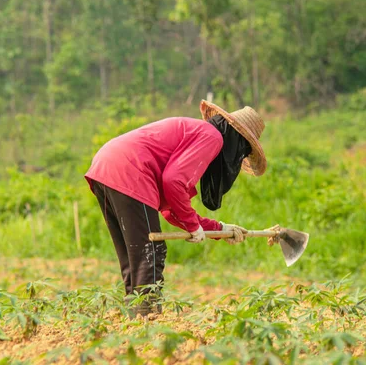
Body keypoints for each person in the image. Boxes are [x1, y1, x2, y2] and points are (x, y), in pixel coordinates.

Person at [84, 100, 267, 317]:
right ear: (238, 141)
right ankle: (146, 321)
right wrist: (192, 224)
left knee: (135, 258)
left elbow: (171, 209)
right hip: (131, 171)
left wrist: (219, 229)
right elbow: (174, 182)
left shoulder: (196, 133)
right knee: (150, 252)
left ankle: (133, 321)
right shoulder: (212, 137)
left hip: (106, 167)